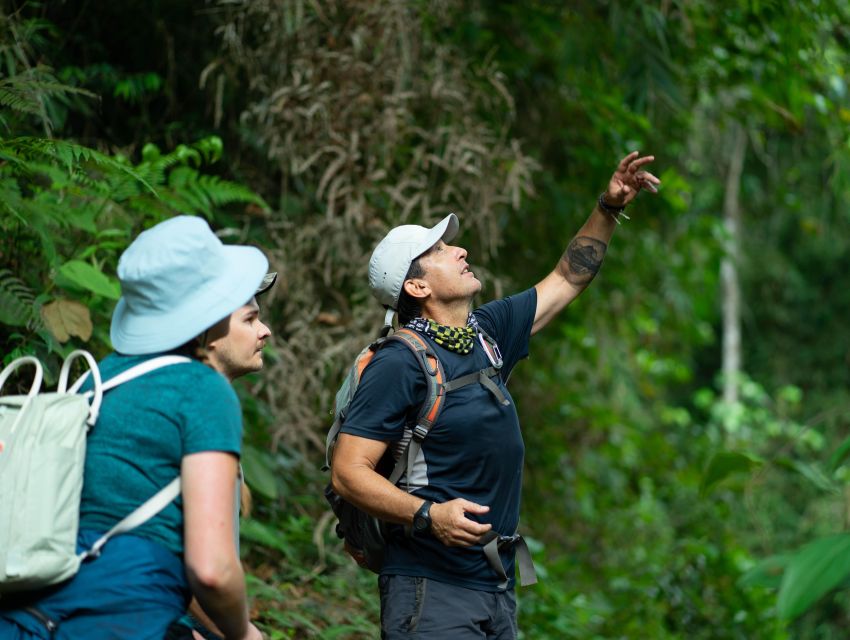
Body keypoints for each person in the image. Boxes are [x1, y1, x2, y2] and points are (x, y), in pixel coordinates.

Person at [331, 152, 660, 639]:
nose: (460, 251)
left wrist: (608, 208)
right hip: (430, 588)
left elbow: (568, 278)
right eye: (441, 250)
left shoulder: (485, 334)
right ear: (417, 285)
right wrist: (428, 514)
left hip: (494, 584)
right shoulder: (400, 361)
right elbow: (347, 471)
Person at [0, 215, 267, 640]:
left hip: (26, 616)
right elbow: (212, 569)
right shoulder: (202, 389)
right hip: (121, 617)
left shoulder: (94, 380)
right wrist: (244, 634)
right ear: (210, 315)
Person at [166, 272, 276, 640]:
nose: (265, 331)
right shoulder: (196, 407)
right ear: (208, 335)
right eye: (250, 319)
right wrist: (239, 633)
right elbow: (194, 563)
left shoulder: (182, 398)